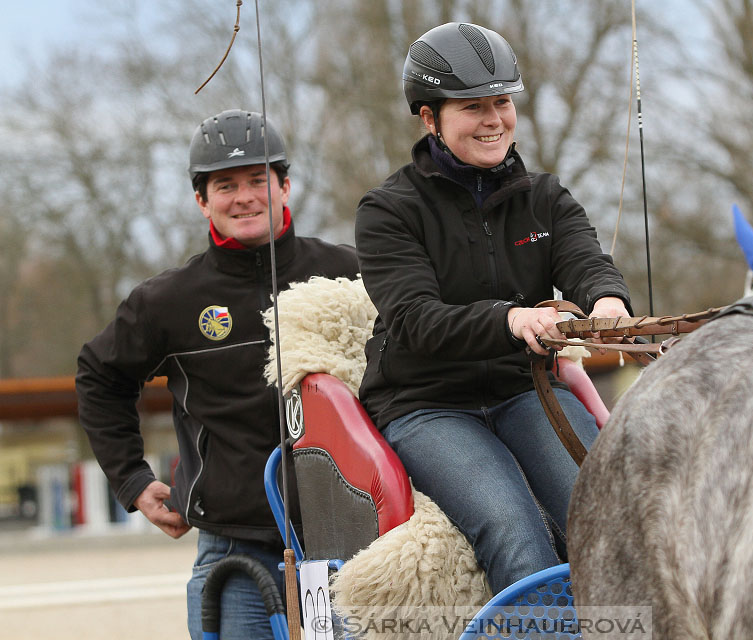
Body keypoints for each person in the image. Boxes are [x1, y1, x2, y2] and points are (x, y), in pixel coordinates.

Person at [355, 23, 632, 594]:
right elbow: (414, 321)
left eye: (502, 102)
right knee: (515, 531)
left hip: (524, 390)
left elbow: (586, 262)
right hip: (427, 406)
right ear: (429, 117)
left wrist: (607, 303)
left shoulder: (545, 196)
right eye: (472, 107)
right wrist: (513, 319)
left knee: (607, 513)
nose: (494, 120)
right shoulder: (388, 210)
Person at [75, 109, 359, 639]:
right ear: (201, 200)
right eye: (225, 185)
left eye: (258, 180)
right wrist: (132, 479)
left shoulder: (350, 273)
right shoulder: (167, 301)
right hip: (234, 549)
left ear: (286, 186)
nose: (244, 196)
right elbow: (99, 376)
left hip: (351, 541)